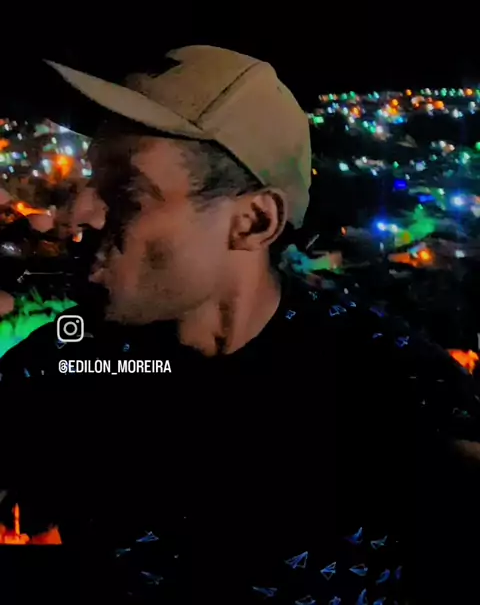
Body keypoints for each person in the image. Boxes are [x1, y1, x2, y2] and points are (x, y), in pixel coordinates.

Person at [0, 45, 480, 604]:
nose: (76, 215)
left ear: (254, 221)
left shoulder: (387, 379)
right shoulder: (73, 363)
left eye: (126, 192)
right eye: (89, 180)